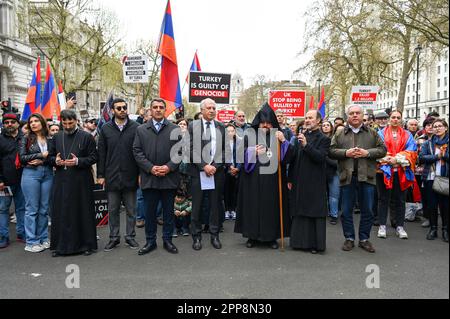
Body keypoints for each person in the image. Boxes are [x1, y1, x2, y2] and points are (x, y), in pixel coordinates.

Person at [330, 105, 387, 253]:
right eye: (352, 113)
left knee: (367, 210)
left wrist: (366, 153)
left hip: (367, 177)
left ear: (363, 115)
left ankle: (364, 239)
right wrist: (345, 153)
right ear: (347, 116)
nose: (355, 115)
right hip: (346, 177)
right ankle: (349, 238)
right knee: (346, 210)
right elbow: (330, 151)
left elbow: (383, 150)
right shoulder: (340, 133)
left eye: (358, 113)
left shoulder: (372, 132)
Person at [234, 103, 292, 249]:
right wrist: (252, 152)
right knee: (252, 207)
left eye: (268, 123)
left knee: (271, 208)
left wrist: (284, 142)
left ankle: (271, 237)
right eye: (262, 123)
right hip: (251, 180)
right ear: (258, 123)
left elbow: (289, 157)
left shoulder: (279, 135)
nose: (265, 125)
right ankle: (252, 236)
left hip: (272, 181)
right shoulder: (249, 135)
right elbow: (240, 154)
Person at [133, 98, 182, 255]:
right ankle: (150, 241)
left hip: (169, 178)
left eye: (161, 107)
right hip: (150, 178)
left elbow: (180, 152)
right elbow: (137, 152)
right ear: (151, 109)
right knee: (150, 213)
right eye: (155, 107)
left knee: (168, 213)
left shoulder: (174, 129)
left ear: (165, 110)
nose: (158, 109)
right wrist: (150, 168)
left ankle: (168, 240)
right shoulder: (141, 129)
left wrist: (168, 167)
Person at [48, 109, 98, 256]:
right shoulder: (56, 137)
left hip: (81, 181)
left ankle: (86, 245)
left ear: (76, 121)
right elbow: (49, 157)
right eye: (65, 123)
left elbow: (94, 157)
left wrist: (78, 161)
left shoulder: (86, 137)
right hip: (61, 180)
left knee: (82, 211)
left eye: (71, 122)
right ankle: (60, 247)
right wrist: (55, 161)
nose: (68, 126)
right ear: (61, 122)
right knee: (61, 212)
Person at [97, 98, 140, 251]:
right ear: (113, 110)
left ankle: (130, 237)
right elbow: (101, 153)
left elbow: (140, 152)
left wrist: (141, 174)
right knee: (113, 210)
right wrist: (100, 175)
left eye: (124, 107)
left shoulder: (136, 128)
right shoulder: (106, 129)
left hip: (131, 175)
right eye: (119, 108)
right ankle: (114, 238)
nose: (122, 110)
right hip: (112, 176)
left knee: (131, 210)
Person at [288, 110, 330, 254]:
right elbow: (294, 159)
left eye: (310, 118)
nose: (307, 120)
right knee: (300, 210)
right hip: (299, 180)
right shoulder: (301, 136)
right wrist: (290, 178)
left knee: (313, 211)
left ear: (318, 121)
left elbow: (320, 158)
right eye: (306, 118)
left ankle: (314, 244)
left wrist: (306, 146)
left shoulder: (323, 139)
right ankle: (299, 242)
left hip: (314, 181)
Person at [187, 98, 226, 251]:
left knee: (215, 206)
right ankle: (196, 237)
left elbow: (224, 151)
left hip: (216, 173)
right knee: (196, 206)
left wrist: (214, 166)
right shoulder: (193, 126)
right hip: (198, 173)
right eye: (209, 108)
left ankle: (214, 235)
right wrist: (204, 166)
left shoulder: (221, 126)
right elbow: (189, 149)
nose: (212, 110)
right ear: (202, 110)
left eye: (214, 108)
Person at [376, 110, 417, 240]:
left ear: (401, 119)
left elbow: (412, 150)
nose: (395, 119)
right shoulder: (380, 133)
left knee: (400, 200)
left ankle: (400, 226)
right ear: (389, 119)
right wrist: (389, 159)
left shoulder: (407, 134)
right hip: (384, 172)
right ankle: (382, 225)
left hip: (401, 172)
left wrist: (397, 159)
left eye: (398, 117)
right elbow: (378, 150)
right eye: (393, 117)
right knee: (383, 199)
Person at [19, 113, 53, 253]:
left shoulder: (50, 138)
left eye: (36, 121)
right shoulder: (26, 138)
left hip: (47, 173)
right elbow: (22, 158)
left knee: (44, 209)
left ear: (42, 122)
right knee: (32, 209)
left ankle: (43, 238)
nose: (33, 123)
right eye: (31, 122)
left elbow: (53, 156)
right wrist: (40, 155)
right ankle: (31, 241)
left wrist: (43, 160)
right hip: (30, 174)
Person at [419, 119, 449, 242]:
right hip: (431, 178)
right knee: (432, 205)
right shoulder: (428, 143)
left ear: (446, 128)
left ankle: (446, 230)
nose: (437, 128)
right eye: (435, 126)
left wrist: (444, 155)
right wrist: (437, 156)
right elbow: (422, 157)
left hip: (446, 178)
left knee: (445, 206)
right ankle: (433, 229)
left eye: (440, 126)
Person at [0, 113, 25, 248]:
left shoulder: (25, 138)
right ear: (3, 124)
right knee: (3, 210)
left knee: (21, 209)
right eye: (6, 122)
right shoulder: (0, 139)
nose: (9, 124)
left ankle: (22, 233)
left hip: (23, 181)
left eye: (12, 122)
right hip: (5, 183)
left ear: (17, 123)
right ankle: (4, 237)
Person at [321, 120, 340, 225]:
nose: (325, 127)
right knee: (322, 194)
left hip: (334, 169)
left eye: (328, 125)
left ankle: (334, 215)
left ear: (331, 127)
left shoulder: (336, 139)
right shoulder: (319, 138)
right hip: (321, 170)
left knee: (334, 194)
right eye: (323, 125)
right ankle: (324, 212)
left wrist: (327, 158)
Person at [224, 123, 240, 220]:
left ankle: (233, 210)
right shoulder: (222, 142)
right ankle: (226, 210)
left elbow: (242, 156)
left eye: (232, 131)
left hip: (237, 170)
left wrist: (237, 168)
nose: (230, 133)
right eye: (228, 131)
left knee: (235, 191)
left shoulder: (239, 142)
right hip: (226, 170)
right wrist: (229, 166)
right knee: (226, 191)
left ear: (235, 132)